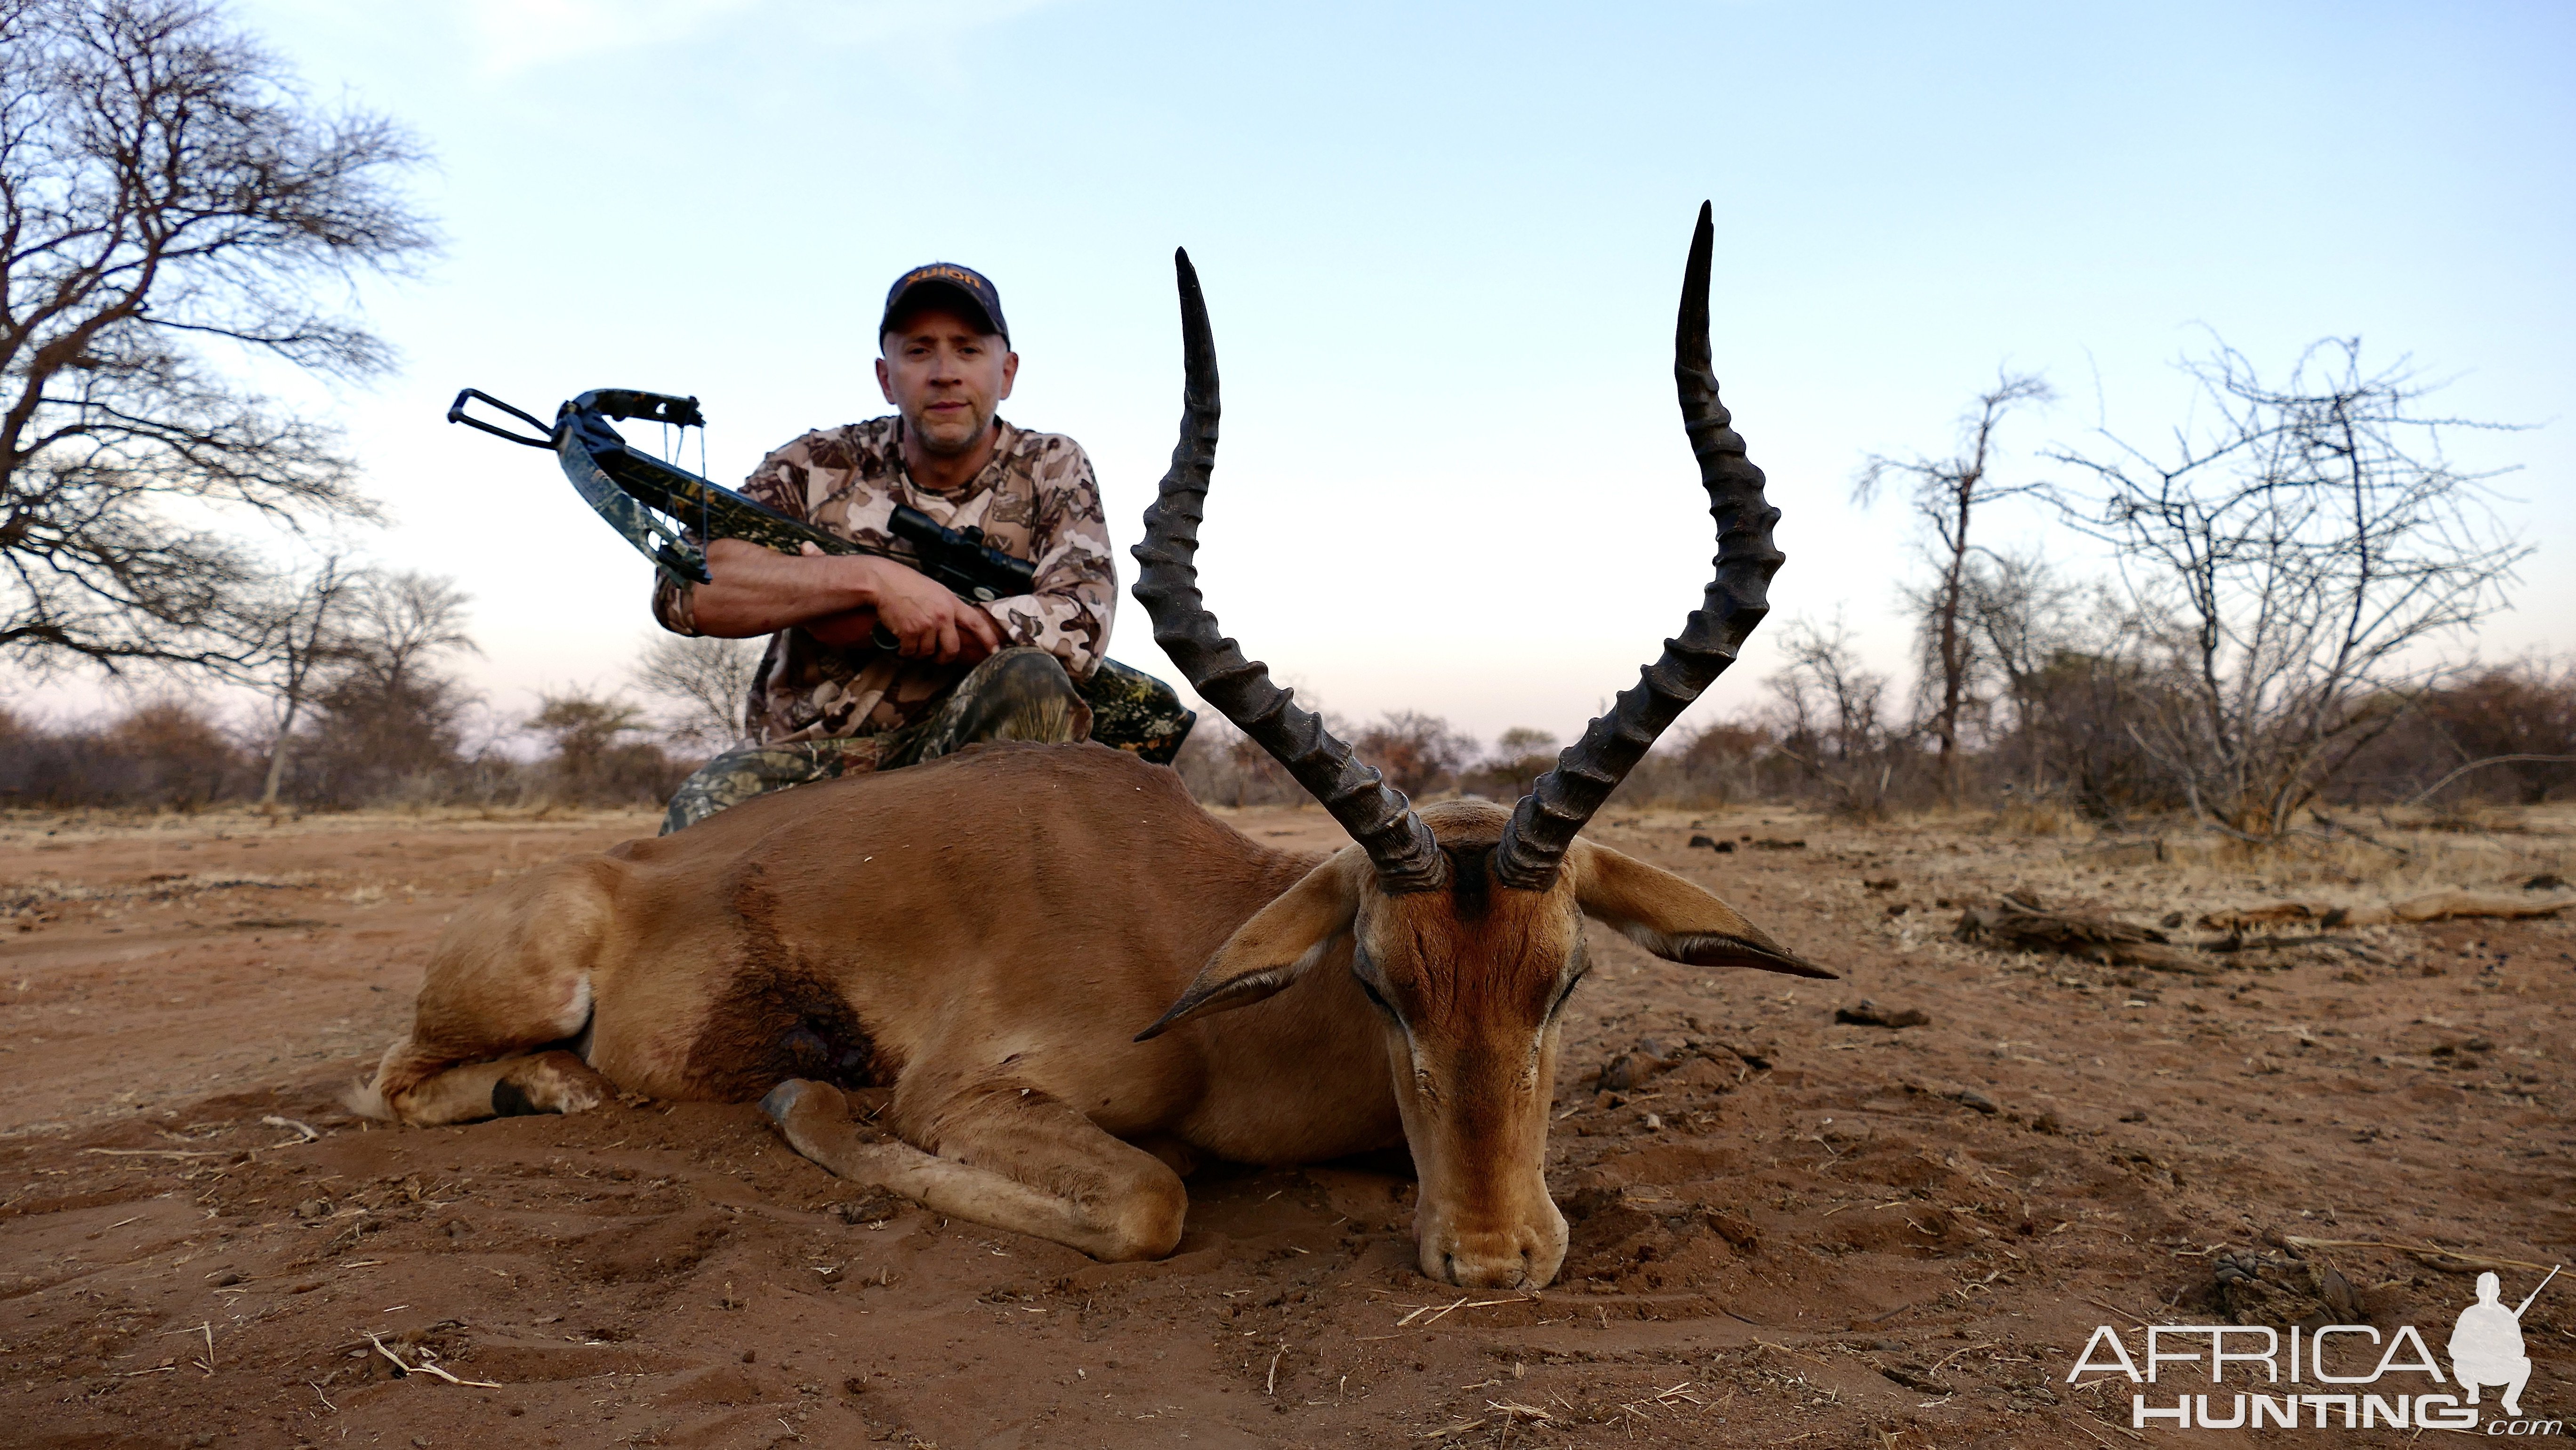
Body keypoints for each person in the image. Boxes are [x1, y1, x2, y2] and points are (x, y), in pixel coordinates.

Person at [652, 263, 1118, 833]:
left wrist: (925, 620)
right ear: (885, 376)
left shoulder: (1051, 463)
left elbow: (1083, 619)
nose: (945, 373)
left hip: (967, 757)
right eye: (919, 351)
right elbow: (684, 590)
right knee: (701, 813)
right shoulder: (814, 462)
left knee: (1031, 680)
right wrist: (868, 582)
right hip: (813, 759)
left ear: (1008, 371)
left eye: (968, 350)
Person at [2448, 1269, 2539, 1418]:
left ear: (2498, 1292)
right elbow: (2454, 1349)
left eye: (2491, 1290)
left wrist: (2504, 1343)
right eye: (2484, 1290)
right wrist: (2475, 1344)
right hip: (2473, 1367)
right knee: (2459, 1363)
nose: (2488, 1294)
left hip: (2497, 1368)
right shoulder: (2469, 1315)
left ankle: (2510, 1401)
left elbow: (2520, 1350)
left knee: (2524, 1364)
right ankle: (2472, 1389)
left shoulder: (2507, 1317)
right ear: (2478, 1291)